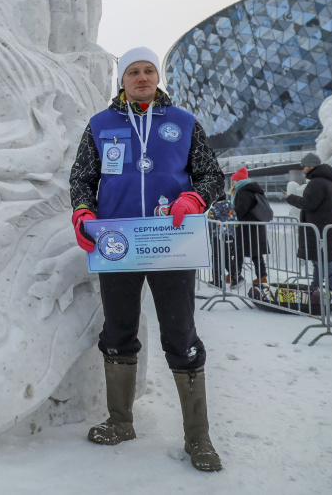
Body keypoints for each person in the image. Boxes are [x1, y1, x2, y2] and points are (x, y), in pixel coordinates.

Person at [69, 46, 225, 472]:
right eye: (133, 71)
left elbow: (213, 176)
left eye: (148, 70)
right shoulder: (100, 125)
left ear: (158, 77)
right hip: (117, 243)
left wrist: (195, 197)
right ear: (121, 80)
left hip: (171, 242)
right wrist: (83, 211)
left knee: (181, 335)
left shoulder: (183, 122)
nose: (142, 77)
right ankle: (120, 421)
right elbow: (82, 177)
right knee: (118, 330)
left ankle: (199, 438)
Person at [284, 153, 332, 303]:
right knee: (319, 260)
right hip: (325, 227)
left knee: (324, 262)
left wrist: (291, 198)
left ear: (311, 166)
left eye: (304, 167)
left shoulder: (317, 183)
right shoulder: (331, 182)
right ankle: (315, 289)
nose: (303, 170)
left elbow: (308, 204)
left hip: (318, 228)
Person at [230, 167, 270, 285]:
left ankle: (236, 276)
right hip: (253, 228)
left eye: (234, 180)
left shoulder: (244, 192)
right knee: (253, 253)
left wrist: (231, 213)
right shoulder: (251, 190)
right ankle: (261, 276)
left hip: (247, 229)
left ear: (238, 180)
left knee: (240, 252)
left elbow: (241, 210)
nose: (233, 182)